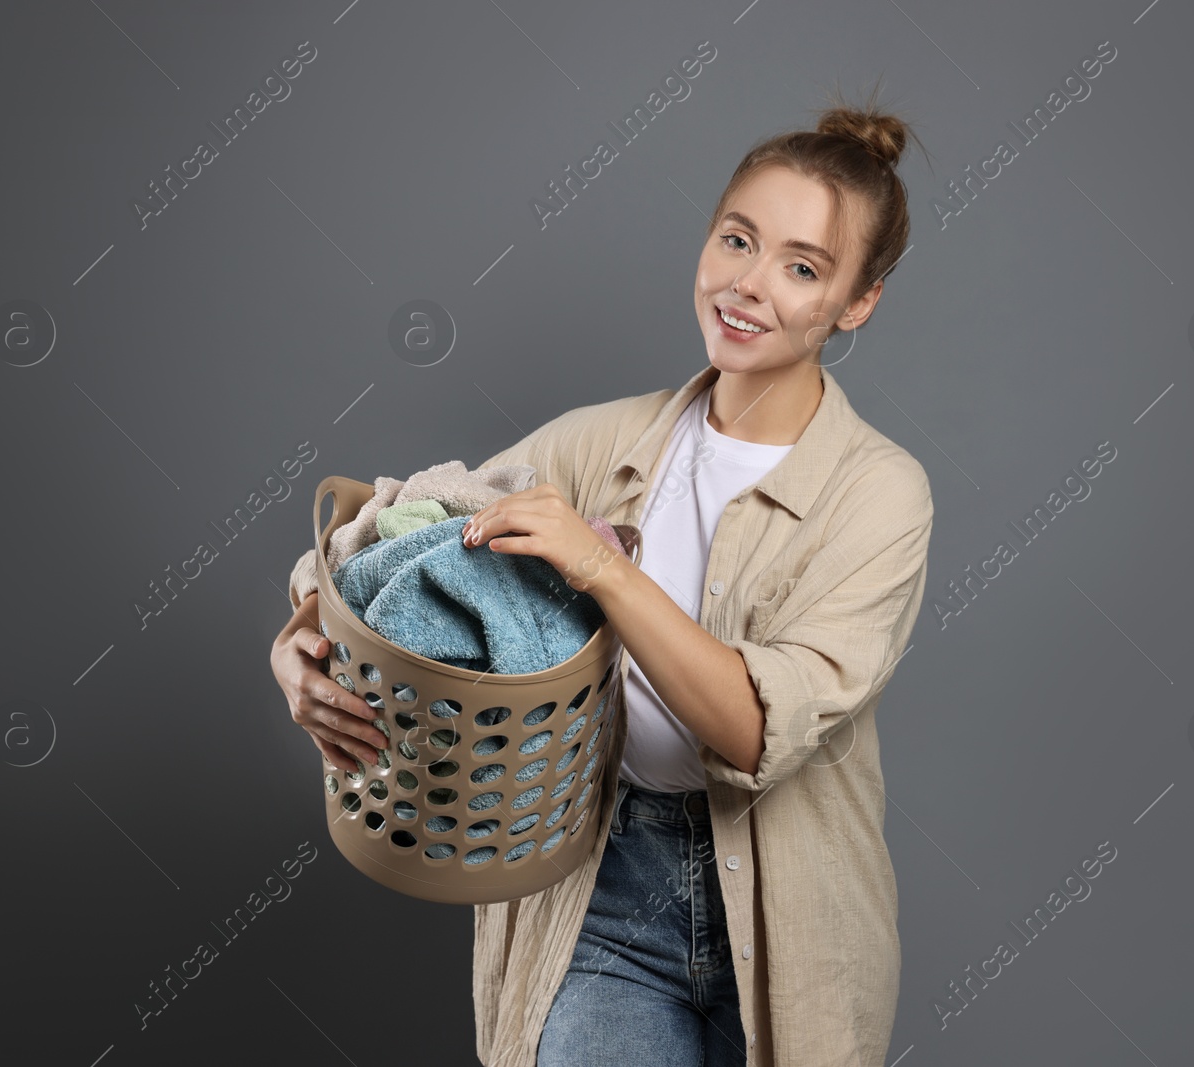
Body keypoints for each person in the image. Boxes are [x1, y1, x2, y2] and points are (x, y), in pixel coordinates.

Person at [270, 86, 934, 1067]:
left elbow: (754, 731)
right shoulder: (603, 441)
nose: (749, 284)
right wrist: (302, 639)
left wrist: (597, 565)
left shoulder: (879, 493)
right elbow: (403, 530)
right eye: (735, 240)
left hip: (794, 917)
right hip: (597, 889)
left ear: (857, 302)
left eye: (803, 267)